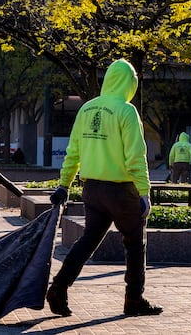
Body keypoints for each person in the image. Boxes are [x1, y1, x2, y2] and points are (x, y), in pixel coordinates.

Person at [46, 58, 163, 318]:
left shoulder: (86, 109)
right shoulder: (126, 110)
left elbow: (73, 152)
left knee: (88, 240)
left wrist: (64, 185)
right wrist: (144, 192)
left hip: (92, 190)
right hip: (121, 191)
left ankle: (58, 287)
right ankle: (134, 299)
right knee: (134, 243)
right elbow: (136, 155)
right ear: (129, 83)